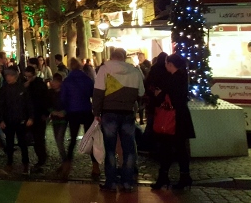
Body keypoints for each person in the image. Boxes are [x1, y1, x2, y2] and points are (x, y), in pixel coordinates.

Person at [93, 47, 145, 193]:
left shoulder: (104, 69)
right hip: (128, 113)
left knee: (110, 148)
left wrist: (96, 112)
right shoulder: (134, 71)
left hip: (109, 113)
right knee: (128, 148)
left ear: (112, 56)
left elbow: (98, 93)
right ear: (124, 57)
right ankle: (127, 182)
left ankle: (111, 182)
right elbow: (141, 92)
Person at [151, 54, 196, 190]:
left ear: (170, 64)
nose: (165, 65)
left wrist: (159, 94)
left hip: (172, 119)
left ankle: (164, 177)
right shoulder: (182, 77)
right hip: (181, 117)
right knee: (179, 148)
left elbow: (168, 97)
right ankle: (184, 176)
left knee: (167, 148)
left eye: (166, 63)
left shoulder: (173, 79)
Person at [61, 57, 100, 180]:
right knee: (90, 138)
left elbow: (63, 99)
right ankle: (95, 167)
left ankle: (67, 166)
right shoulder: (87, 79)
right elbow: (92, 94)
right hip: (86, 110)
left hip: (73, 112)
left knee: (72, 139)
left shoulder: (67, 81)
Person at [0, 67, 33, 176]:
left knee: (22, 143)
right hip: (9, 120)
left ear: (15, 76)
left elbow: (28, 104)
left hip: (20, 119)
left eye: (10, 75)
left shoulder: (22, 88)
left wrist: (31, 117)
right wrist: (1, 120)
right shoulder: (4, 89)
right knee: (9, 143)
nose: (8, 77)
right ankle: (9, 163)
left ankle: (25, 164)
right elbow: (0, 106)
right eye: (7, 75)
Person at [23, 65, 49, 173]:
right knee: (34, 138)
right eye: (26, 77)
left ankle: (41, 158)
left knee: (39, 139)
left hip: (39, 115)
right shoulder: (26, 85)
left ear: (34, 75)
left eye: (29, 77)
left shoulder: (40, 84)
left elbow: (45, 99)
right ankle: (40, 157)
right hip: (30, 115)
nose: (27, 79)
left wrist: (45, 113)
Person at [48, 73, 67, 171]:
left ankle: (65, 162)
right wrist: (52, 111)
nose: (53, 83)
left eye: (55, 82)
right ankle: (65, 161)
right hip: (55, 119)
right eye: (52, 81)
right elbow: (47, 104)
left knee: (59, 140)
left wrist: (64, 112)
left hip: (63, 120)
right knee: (58, 140)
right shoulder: (50, 93)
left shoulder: (64, 92)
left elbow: (68, 104)